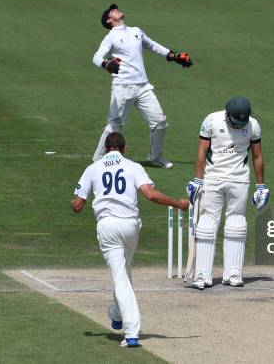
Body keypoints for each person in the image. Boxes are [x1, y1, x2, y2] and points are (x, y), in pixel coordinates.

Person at [71, 132, 189, 347]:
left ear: (106, 148)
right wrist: (178, 203)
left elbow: (78, 205)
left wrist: (73, 202)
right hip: (131, 226)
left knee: (120, 277)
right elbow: (150, 195)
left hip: (107, 226)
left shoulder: (93, 168)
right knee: (123, 273)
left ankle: (132, 332)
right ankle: (116, 313)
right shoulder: (133, 166)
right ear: (123, 148)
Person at [91, 3, 193, 168]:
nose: (116, 9)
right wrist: (106, 64)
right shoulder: (111, 37)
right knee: (115, 125)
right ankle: (98, 160)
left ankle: (155, 156)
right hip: (122, 87)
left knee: (160, 122)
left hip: (143, 86)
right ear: (109, 20)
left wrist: (173, 55)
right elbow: (96, 57)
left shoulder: (136, 31)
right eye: (112, 10)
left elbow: (152, 45)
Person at [186, 96, 269, 290]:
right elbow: (201, 152)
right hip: (213, 178)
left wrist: (260, 186)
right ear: (227, 113)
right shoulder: (211, 121)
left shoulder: (253, 125)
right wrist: (198, 180)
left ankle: (233, 273)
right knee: (207, 223)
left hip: (239, 179)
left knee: (237, 223)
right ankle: (202, 275)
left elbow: (257, 156)